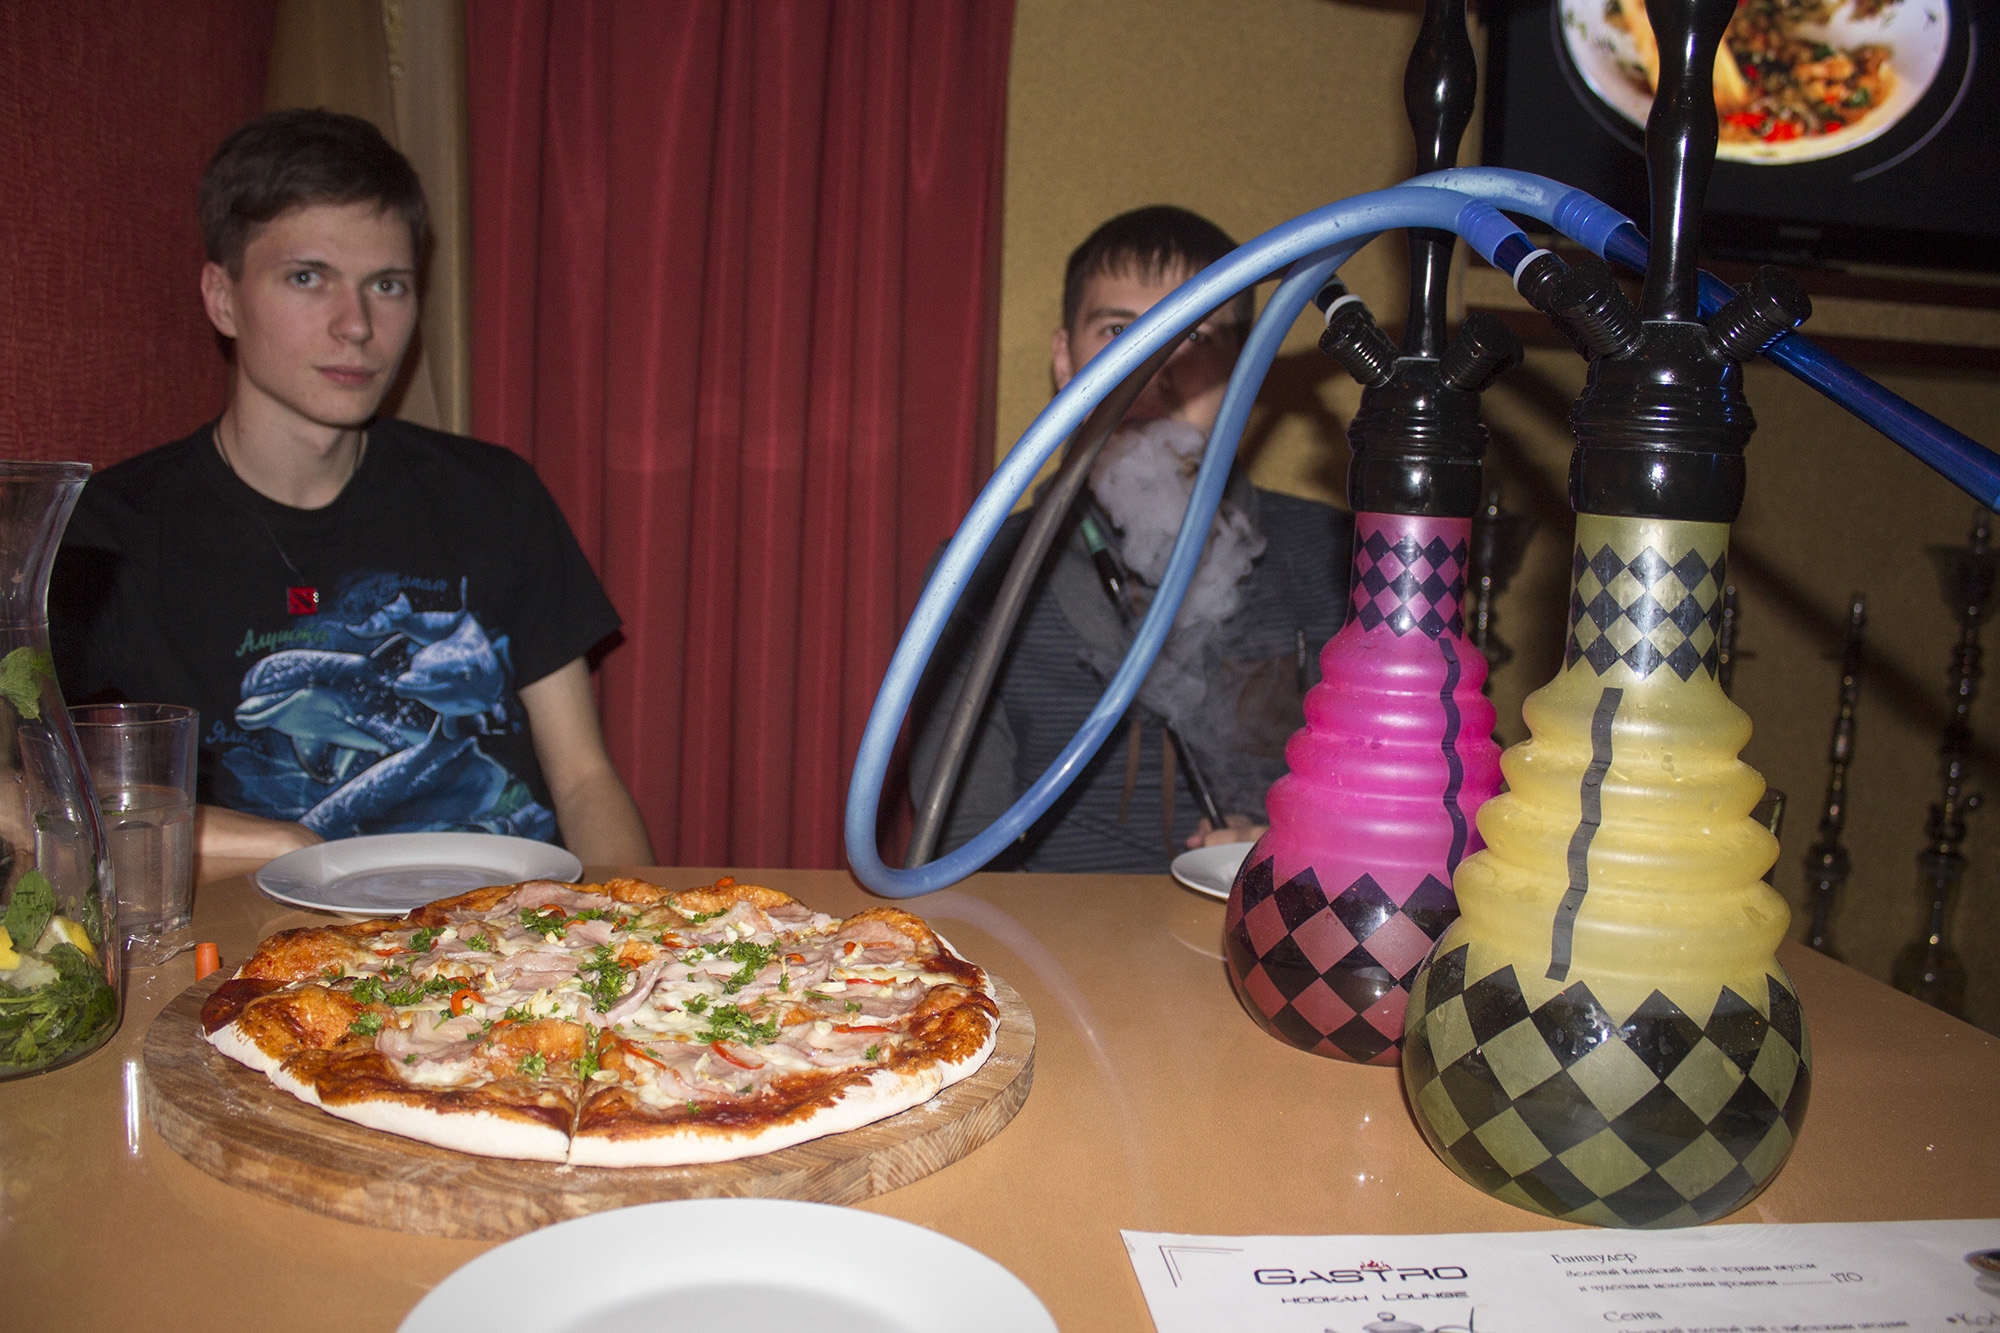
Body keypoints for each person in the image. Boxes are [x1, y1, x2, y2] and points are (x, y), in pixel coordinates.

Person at [51, 109, 654, 866]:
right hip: (276, 934)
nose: (358, 325)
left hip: (517, 921)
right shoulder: (106, 536)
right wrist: (282, 843)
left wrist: (630, 922)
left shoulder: (494, 493)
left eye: (388, 285)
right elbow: (33, 799)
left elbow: (585, 778)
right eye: (308, 278)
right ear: (222, 298)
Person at [909, 206, 1353, 873]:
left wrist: (1291, 853)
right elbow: (958, 855)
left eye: (1195, 336)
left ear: (1246, 366)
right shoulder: (982, 572)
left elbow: (1408, 815)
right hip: (1051, 934)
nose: (1153, 368)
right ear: (1066, 359)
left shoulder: (1340, 556)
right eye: (1119, 330)